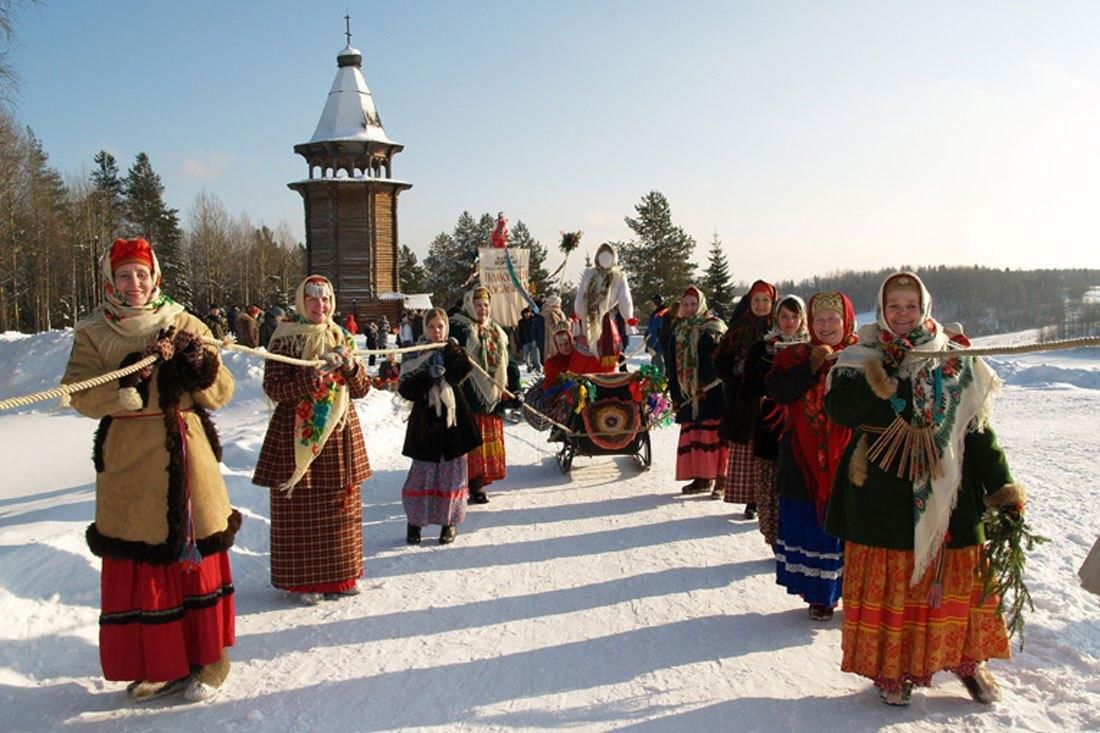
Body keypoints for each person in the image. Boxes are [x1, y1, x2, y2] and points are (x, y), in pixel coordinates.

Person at [825, 271, 1020, 707]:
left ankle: (968, 661)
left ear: (924, 308)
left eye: (910, 306)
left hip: (950, 489)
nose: (902, 313)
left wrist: (1001, 485)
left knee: (957, 576)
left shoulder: (953, 361)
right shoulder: (860, 356)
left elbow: (978, 431)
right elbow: (840, 411)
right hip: (881, 492)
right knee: (893, 581)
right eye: (893, 306)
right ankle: (893, 670)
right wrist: (885, 374)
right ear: (882, 308)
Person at [63, 237, 239, 703]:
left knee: (195, 550)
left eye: (142, 274)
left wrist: (199, 366)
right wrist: (120, 390)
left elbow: (221, 391)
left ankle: (209, 657)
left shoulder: (185, 321)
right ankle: (160, 662)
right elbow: (78, 392)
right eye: (125, 275)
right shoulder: (94, 332)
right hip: (128, 465)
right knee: (143, 562)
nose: (135, 283)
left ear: (156, 276)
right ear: (110, 281)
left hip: (186, 454)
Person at [252, 275, 372, 606]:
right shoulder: (284, 339)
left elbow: (361, 389)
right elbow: (274, 388)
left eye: (326, 299)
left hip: (338, 433)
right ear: (301, 302)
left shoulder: (342, 336)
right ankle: (306, 580)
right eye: (313, 299)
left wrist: (350, 367)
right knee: (301, 509)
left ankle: (342, 574)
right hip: (296, 433)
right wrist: (311, 375)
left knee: (339, 506)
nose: (321, 306)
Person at [766, 291, 856, 622]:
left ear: (847, 321)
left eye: (834, 319)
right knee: (809, 525)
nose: (827, 325)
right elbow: (778, 390)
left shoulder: (862, 354)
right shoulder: (795, 354)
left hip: (849, 459)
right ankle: (820, 596)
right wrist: (810, 366)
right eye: (820, 319)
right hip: (802, 459)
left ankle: (853, 590)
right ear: (811, 323)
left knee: (845, 527)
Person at [398, 308, 481, 545]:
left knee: (452, 475)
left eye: (441, 326)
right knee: (421, 475)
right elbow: (406, 389)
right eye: (432, 327)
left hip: (453, 421)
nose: (437, 331)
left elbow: (462, 374)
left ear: (447, 328)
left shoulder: (453, 349)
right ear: (424, 328)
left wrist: (454, 355)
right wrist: (427, 377)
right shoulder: (414, 352)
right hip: (426, 422)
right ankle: (414, 523)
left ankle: (449, 523)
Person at [743, 295, 809, 548]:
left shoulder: (811, 349)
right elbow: (751, 384)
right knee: (771, 482)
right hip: (770, 425)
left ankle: (795, 539)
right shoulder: (763, 347)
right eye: (784, 316)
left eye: (795, 316)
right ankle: (774, 538)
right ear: (776, 318)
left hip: (803, 425)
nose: (790, 322)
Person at [448, 286, 520, 504]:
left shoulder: (497, 330)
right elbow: (450, 359)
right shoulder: (459, 327)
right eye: (478, 305)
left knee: (487, 442)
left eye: (486, 305)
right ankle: (472, 484)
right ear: (470, 304)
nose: (483, 309)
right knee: (471, 441)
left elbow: (509, 362)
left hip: (493, 395)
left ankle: (481, 480)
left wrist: (515, 388)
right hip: (468, 394)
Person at [714, 280, 777, 507]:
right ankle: (751, 501)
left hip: (772, 400)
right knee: (749, 452)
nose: (761, 305)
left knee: (768, 453)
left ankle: (767, 500)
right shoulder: (739, 327)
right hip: (744, 399)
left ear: (773, 302)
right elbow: (720, 360)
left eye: (765, 300)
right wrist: (735, 376)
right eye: (756, 300)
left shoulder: (781, 326)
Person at [667, 286, 729, 495]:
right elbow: (671, 366)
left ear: (701, 304)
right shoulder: (677, 332)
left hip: (712, 392)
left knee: (715, 436)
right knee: (695, 436)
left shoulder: (713, 328)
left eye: (694, 304)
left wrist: (705, 383)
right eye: (686, 304)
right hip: (688, 394)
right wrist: (675, 395)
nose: (690, 308)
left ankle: (721, 478)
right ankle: (702, 478)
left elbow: (721, 360)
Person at [574, 242, 636, 369]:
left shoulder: (591, 274)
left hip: (590, 319)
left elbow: (580, 298)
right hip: (600, 319)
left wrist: (578, 313)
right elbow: (625, 299)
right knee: (605, 352)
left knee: (590, 352)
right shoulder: (618, 276)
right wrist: (628, 317)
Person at [645, 294, 669, 375]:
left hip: (658, 347)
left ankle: (660, 385)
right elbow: (651, 329)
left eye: (652, 303)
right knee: (656, 366)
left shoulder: (659, 315)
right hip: (660, 345)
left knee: (659, 369)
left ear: (655, 303)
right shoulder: (662, 313)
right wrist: (646, 335)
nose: (651, 305)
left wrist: (650, 345)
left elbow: (656, 332)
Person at [541, 294, 569, 359]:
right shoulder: (550, 314)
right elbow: (554, 330)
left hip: (560, 343)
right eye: (559, 303)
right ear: (554, 304)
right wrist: (567, 323)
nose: (560, 305)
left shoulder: (557, 313)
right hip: (555, 345)